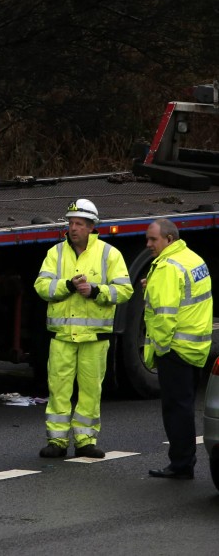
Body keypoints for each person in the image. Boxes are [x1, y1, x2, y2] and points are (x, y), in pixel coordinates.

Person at [33, 198, 133, 459]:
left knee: (90, 391)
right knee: (59, 389)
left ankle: (85, 441)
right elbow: (41, 287)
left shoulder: (110, 254)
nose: (73, 228)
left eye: (79, 224)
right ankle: (56, 441)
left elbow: (124, 290)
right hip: (63, 336)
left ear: (91, 227)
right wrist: (67, 285)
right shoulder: (55, 253)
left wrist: (96, 291)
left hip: (94, 338)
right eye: (71, 223)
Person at [143, 218, 213, 480]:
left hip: (175, 349)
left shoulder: (168, 267)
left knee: (176, 410)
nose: (148, 244)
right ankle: (184, 461)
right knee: (184, 406)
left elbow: (164, 316)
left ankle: (181, 465)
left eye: (153, 239)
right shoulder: (192, 258)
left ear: (169, 239)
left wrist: (158, 351)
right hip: (196, 346)